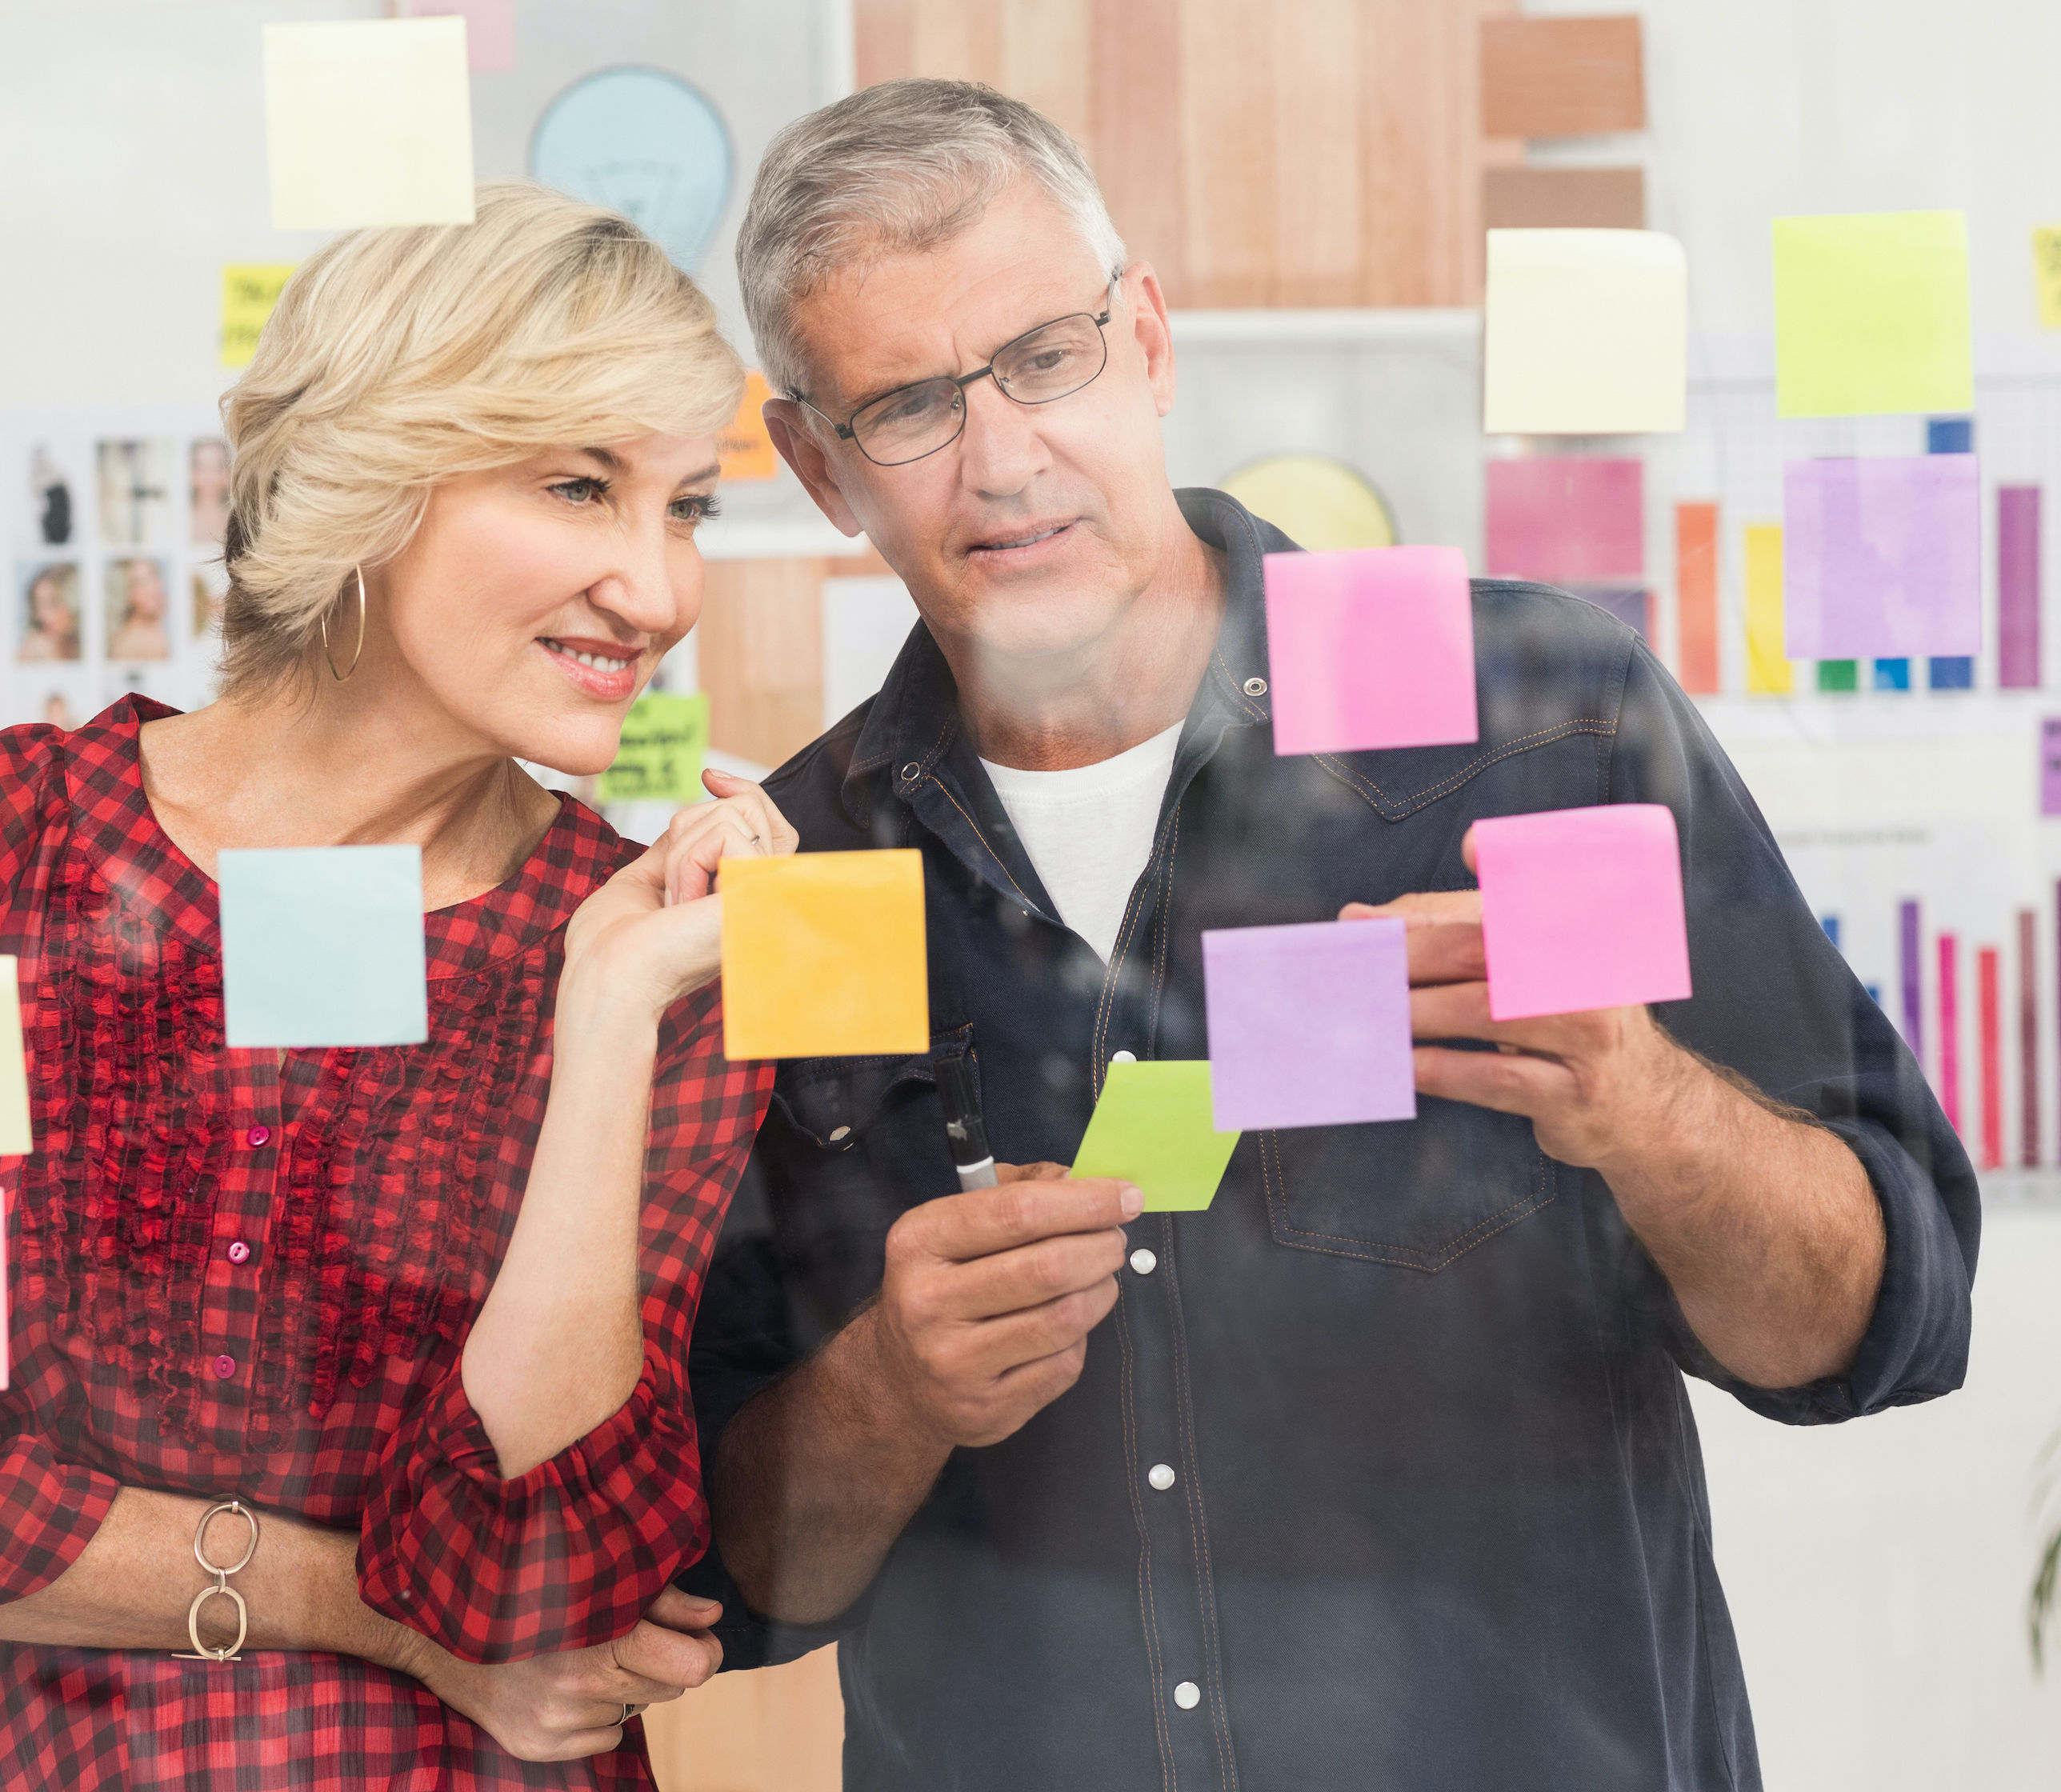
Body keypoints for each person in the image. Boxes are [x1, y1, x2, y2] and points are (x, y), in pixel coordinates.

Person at [684, 79, 1978, 1791]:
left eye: (1044, 357)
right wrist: (892, 1388)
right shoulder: (796, 859)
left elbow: (1893, 1321)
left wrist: (1647, 1107)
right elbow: (748, 1584)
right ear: (818, 467)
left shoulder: (1536, 717)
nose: (1002, 459)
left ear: (1144, 339)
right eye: (908, 405)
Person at [0, 182, 797, 1790]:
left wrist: (603, 1031)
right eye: (580, 487)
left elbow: (532, 1574)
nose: (654, 592)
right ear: (367, 479)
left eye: (685, 507)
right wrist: (388, 1624)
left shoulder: (650, 952)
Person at [106, 554, 173, 662]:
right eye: (140, 583)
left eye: (153, 576)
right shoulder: (126, 647)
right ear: (126, 595)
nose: (153, 588)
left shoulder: (157, 633)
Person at [18, 562, 80, 662]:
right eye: (37, 606)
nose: (41, 616)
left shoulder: (97, 646)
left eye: (53, 603)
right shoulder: (35, 648)